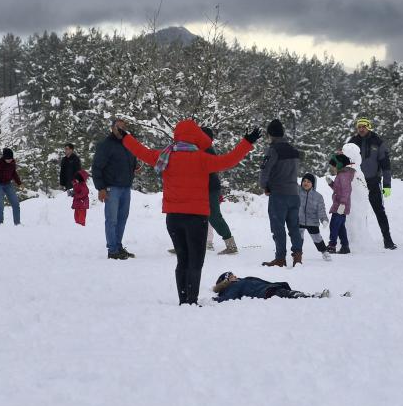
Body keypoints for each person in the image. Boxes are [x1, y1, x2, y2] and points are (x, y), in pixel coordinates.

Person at [121, 120, 260, 305]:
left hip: (173, 218)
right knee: (195, 262)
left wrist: (125, 137)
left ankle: (183, 300)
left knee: (182, 260)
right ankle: (191, 301)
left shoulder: (166, 156)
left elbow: (141, 151)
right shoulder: (202, 158)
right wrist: (247, 142)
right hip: (196, 218)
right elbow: (228, 160)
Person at [347, 118, 397, 249]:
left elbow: (386, 165)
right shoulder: (352, 142)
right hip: (356, 183)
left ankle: (388, 240)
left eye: (364, 126)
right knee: (355, 212)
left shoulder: (378, 142)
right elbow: (344, 161)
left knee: (379, 211)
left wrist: (387, 185)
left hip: (373, 182)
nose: (361, 129)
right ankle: (354, 241)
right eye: (359, 127)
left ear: (369, 127)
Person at [93, 118, 139, 259]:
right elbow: (96, 167)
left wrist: (135, 166)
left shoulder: (127, 143)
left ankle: (118, 246)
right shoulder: (106, 145)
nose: (120, 129)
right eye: (118, 127)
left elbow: (132, 160)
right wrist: (101, 188)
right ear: (112, 128)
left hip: (126, 187)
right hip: (112, 188)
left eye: (123, 127)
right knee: (112, 219)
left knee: (122, 218)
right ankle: (112, 250)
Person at [260, 119, 303, 267]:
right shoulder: (294, 151)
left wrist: (264, 186)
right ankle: (298, 256)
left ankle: (280, 259)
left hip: (279, 194)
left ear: (270, 134)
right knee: (294, 228)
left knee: (278, 228)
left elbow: (265, 170)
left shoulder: (273, 150)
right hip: (294, 194)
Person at [201, 127, 239, 255]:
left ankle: (231, 245)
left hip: (210, 188)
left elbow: (209, 170)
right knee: (193, 217)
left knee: (214, 217)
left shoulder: (207, 150)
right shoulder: (202, 149)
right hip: (203, 188)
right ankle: (185, 245)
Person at [212, 272, 331, 302]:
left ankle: (313, 296)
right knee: (289, 295)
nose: (234, 276)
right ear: (226, 281)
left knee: (290, 293)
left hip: (269, 288)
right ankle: (314, 298)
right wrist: (214, 300)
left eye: (233, 274)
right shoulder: (232, 287)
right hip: (264, 293)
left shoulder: (242, 280)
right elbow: (227, 297)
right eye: (230, 276)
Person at [298, 173, 332, 260]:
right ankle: (297, 253)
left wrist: (324, 219)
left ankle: (324, 252)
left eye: (309, 182)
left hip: (312, 221)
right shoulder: (297, 192)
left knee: (317, 238)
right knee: (298, 237)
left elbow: (321, 210)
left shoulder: (318, 196)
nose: (306, 183)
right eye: (304, 181)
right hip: (299, 219)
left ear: (313, 184)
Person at [0, 148, 23, 226]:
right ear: (4, 158)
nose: (9, 160)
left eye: (11, 158)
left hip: (8, 184)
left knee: (16, 204)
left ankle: (17, 223)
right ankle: (0, 223)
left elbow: (14, 173)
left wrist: (19, 183)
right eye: (8, 159)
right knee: (0, 205)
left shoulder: (12, 163)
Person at [327, 154, 353, 253]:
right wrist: (331, 184)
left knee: (334, 225)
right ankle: (345, 246)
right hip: (339, 205)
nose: (332, 168)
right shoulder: (341, 175)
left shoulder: (343, 175)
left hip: (341, 205)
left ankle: (332, 245)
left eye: (333, 166)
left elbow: (346, 190)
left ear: (339, 165)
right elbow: (339, 189)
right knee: (341, 226)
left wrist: (343, 203)